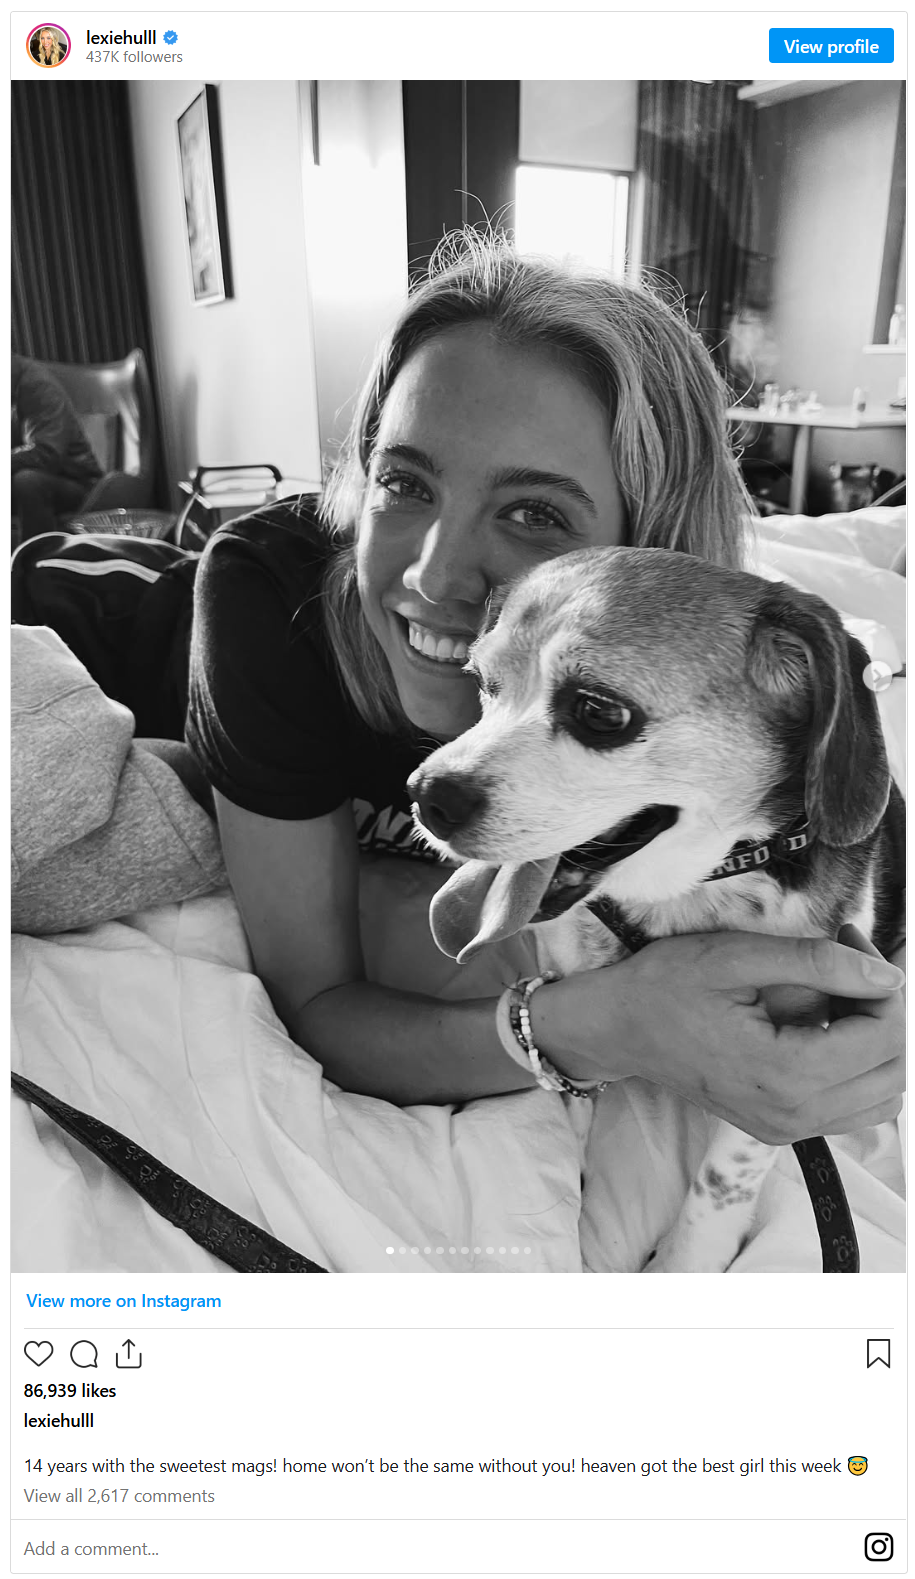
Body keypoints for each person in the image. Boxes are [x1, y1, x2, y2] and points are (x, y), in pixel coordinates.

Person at [187, 232, 904, 1144]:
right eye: (403, 480)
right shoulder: (262, 596)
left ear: (654, 544)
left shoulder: (714, 661)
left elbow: (842, 796)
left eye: (535, 513)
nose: (434, 575)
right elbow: (317, 1003)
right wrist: (596, 1026)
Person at [11, 354, 102, 542]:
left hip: (78, 483)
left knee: (27, 481)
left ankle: (37, 557)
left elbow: (47, 454)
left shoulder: (37, 385)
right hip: (43, 476)